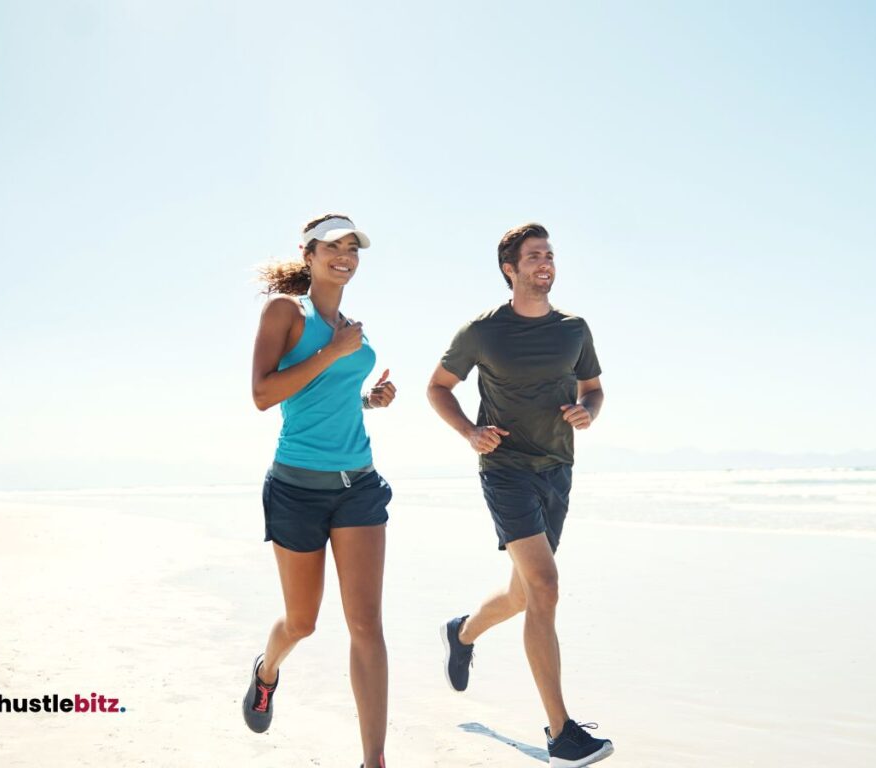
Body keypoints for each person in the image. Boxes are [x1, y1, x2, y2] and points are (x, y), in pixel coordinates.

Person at [426, 222, 614, 767]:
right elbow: (438, 386)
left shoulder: (575, 329)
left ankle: (461, 634)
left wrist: (588, 412)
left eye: (549, 255)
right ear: (510, 269)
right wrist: (468, 432)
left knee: (523, 594)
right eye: (534, 257)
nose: (544, 263)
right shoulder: (482, 332)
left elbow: (594, 389)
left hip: (557, 468)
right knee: (547, 586)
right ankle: (561, 733)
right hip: (505, 468)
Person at [244, 214, 395, 768]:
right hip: (296, 489)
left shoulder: (352, 325)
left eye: (353, 247)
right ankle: (266, 669)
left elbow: (319, 399)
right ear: (307, 255)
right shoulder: (286, 313)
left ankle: (373, 759)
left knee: (366, 625)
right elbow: (263, 394)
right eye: (334, 246)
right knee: (302, 622)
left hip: (359, 485)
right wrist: (333, 352)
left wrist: (366, 402)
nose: (345, 255)